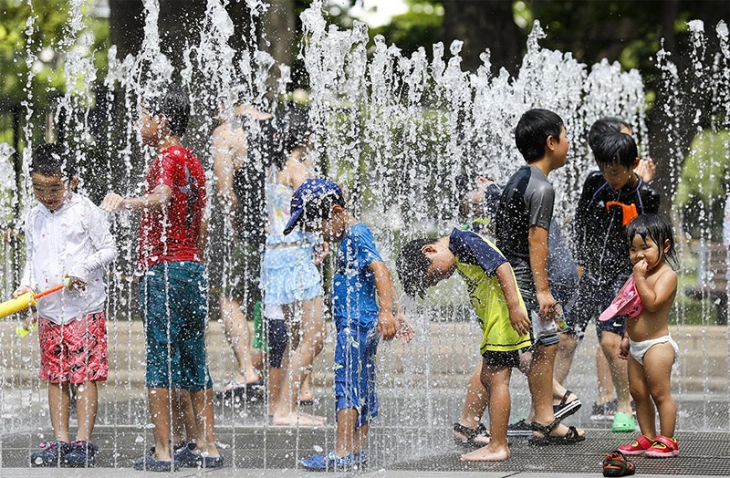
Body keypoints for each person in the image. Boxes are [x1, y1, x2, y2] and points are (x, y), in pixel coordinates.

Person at [101, 82, 222, 471]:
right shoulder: (196, 162)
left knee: (159, 358)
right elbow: (201, 223)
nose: (140, 125)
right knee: (194, 356)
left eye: (144, 117)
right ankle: (207, 447)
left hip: (163, 269)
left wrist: (128, 201)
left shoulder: (165, 158)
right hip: (192, 269)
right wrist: (193, 260)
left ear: (163, 121)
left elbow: (163, 195)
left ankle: (164, 452)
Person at [284, 179, 412, 470]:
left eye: (320, 226)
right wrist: (394, 311)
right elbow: (383, 271)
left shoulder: (355, 233)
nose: (320, 234)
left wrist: (388, 314)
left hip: (355, 325)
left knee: (347, 385)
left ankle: (342, 453)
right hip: (362, 323)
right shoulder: (353, 235)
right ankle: (356, 450)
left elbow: (379, 269)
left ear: (338, 211)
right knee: (363, 385)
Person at [454, 174, 581, 441]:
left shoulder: (496, 193)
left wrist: (535, 291)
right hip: (552, 276)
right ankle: (546, 414)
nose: (473, 209)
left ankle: (547, 407)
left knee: (503, 348)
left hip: (542, 279)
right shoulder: (519, 189)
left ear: (479, 181)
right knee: (540, 345)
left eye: (470, 201)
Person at [15, 143, 116, 468]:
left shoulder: (85, 210)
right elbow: (33, 257)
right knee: (55, 377)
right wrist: (26, 285)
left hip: (83, 310)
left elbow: (108, 249)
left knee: (83, 376)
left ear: (70, 181)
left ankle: (83, 442)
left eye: (54, 188)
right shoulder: (33, 217)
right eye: (39, 188)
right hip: (49, 312)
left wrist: (83, 269)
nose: (46, 195)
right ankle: (60, 440)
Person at [557, 130, 660, 434]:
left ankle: (624, 405)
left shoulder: (646, 196)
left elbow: (652, 243)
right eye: (604, 168)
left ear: (634, 164)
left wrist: (643, 284)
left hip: (622, 279)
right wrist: (578, 263)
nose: (608, 176)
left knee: (610, 342)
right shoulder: (594, 183)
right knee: (564, 339)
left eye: (615, 170)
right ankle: (547, 403)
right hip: (589, 274)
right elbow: (581, 222)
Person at [396, 229, 531, 461]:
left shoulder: (464, 241)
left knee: (498, 379)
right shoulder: (458, 251)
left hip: (503, 320)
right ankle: (497, 442)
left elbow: (502, 266)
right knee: (489, 377)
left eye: (433, 276)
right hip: (496, 322)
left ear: (430, 250)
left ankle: (499, 445)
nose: (438, 281)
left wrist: (514, 307)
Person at [493, 108, 585, 445]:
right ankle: (543, 419)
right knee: (544, 347)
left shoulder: (518, 179)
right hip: (529, 285)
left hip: (515, 281)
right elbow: (537, 239)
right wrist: (543, 291)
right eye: (565, 135)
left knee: (546, 345)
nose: (568, 142)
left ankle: (544, 418)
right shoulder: (542, 187)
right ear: (551, 142)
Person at [261, 106, 326, 426]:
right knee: (315, 336)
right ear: (308, 136)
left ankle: (281, 407)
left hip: (276, 256)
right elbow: (328, 198)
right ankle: (286, 408)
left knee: (296, 336)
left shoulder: (275, 168)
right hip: (295, 260)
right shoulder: (296, 167)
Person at [210, 103, 271, 398]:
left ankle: (247, 369)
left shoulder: (227, 133)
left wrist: (235, 221)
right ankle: (270, 371)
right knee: (268, 300)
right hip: (285, 235)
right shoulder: (278, 127)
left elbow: (225, 189)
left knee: (229, 299)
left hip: (251, 232)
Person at [612, 214, 680, 458]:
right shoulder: (639, 275)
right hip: (637, 345)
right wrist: (626, 336)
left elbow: (651, 304)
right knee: (638, 392)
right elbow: (634, 309)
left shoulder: (667, 275)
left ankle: (668, 439)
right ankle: (648, 436)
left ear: (665, 246)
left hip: (657, 346)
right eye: (633, 249)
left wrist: (639, 277)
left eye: (645, 248)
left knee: (660, 393)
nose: (638, 255)